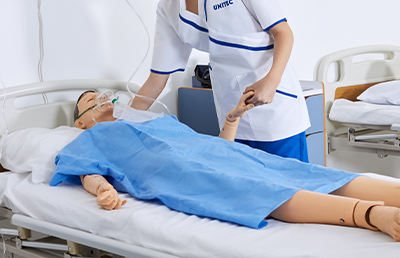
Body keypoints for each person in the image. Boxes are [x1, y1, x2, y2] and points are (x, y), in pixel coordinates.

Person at [50, 90, 400, 242]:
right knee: (259, 191)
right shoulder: (86, 138)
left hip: (219, 155)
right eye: (88, 100)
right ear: (80, 121)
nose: (99, 98)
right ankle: (374, 216)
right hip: (179, 173)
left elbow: (215, 147)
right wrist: (103, 190)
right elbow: (88, 171)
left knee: (304, 172)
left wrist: (232, 119)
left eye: (99, 93)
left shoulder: (153, 120)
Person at [127, 0, 311, 162]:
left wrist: (272, 81)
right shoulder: (169, 6)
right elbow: (157, 78)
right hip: (231, 119)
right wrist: (122, 123)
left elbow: (283, 33)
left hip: (274, 110)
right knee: (245, 197)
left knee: (294, 195)